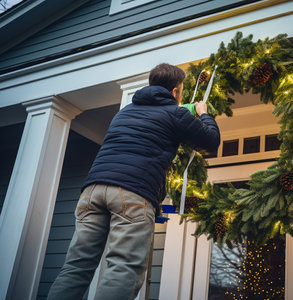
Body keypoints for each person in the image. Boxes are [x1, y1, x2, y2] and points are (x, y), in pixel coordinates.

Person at [47, 63, 220, 300]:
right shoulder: (175, 113)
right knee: (123, 268)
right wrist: (203, 113)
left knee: (76, 267)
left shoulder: (125, 111)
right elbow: (210, 141)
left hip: (92, 192)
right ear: (175, 91)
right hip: (132, 193)